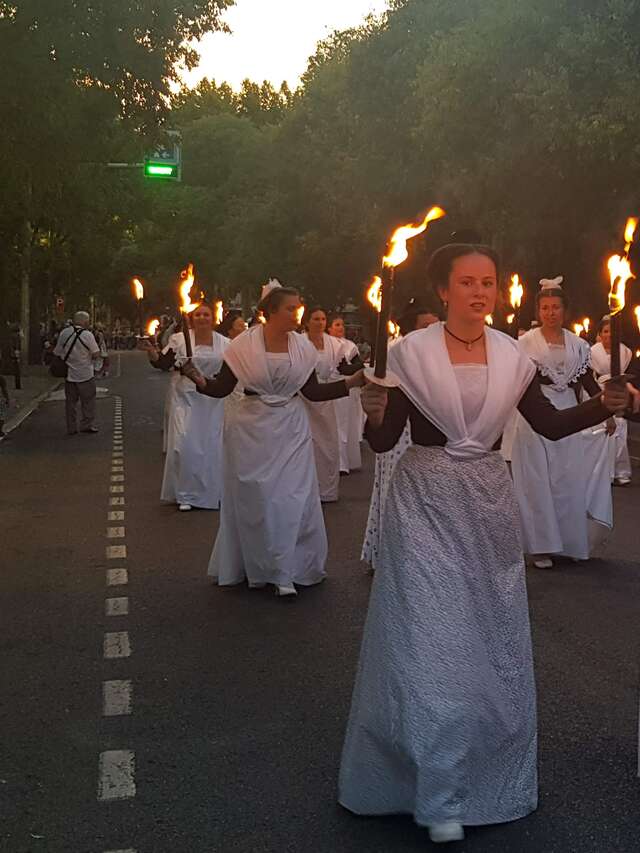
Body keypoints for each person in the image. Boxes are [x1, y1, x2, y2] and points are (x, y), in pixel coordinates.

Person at [338, 243, 639, 844]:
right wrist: (372, 412)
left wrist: (603, 407)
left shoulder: (510, 355)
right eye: (468, 283)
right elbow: (384, 442)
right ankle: (436, 789)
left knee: (481, 637)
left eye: (489, 283)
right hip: (422, 504)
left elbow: (550, 425)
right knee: (429, 640)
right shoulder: (407, 354)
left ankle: (471, 766)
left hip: (487, 507)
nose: (480, 292)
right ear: (444, 291)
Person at [182, 283, 364, 597]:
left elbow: (314, 392)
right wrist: (197, 378)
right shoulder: (242, 347)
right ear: (270, 313)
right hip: (251, 430)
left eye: (299, 307)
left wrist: (353, 382)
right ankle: (259, 565)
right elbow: (222, 388)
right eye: (291, 308)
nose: (298, 314)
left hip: (291, 429)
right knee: (259, 499)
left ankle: (286, 571)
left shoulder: (303, 348)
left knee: (291, 497)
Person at [510, 279, 615, 569]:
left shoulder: (579, 346)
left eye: (555, 307)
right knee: (537, 480)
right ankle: (541, 546)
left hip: (569, 413)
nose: (550, 313)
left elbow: (587, 382)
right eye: (545, 308)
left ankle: (569, 542)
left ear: (564, 310)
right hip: (535, 414)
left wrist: (604, 411)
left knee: (568, 478)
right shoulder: (524, 344)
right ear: (538, 310)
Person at [360, 302, 440, 570]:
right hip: (400, 433)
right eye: (425, 327)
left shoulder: (443, 356)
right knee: (396, 491)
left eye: (436, 325)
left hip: (428, 435)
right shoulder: (397, 354)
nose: (433, 332)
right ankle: (390, 555)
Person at [142, 304, 228, 511]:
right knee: (184, 445)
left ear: (213, 318)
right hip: (185, 399)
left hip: (213, 399)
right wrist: (152, 352)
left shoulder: (226, 343)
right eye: (198, 314)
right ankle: (186, 494)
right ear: (191, 318)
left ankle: (212, 491)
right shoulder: (179, 340)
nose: (202, 318)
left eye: (206, 314)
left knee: (211, 446)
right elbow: (163, 363)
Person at [301, 307, 347, 501]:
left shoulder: (334, 345)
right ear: (307, 322)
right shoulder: (299, 343)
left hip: (326, 399)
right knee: (306, 444)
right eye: (315, 319)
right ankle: (306, 489)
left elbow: (345, 366)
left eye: (322, 319)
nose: (320, 322)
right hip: (303, 399)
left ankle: (326, 489)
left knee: (327, 444)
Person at [591, 316, 633, 485]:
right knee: (603, 431)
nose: (609, 335)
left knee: (620, 431)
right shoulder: (592, 352)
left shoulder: (624, 352)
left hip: (618, 391)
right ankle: (602, 472)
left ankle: (620, 471)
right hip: (600, 391)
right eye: (606, 331)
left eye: (612, 331)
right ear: (600, 334)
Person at [53, 311, 101, 435]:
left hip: (69, 374)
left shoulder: (64, 333)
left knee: (70, 402)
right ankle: (86, 424)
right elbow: (96, 353)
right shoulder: (88, 335)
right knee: (88, 401)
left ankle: (71, 427)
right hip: (85, 373)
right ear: (85, 322)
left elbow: (57, 352)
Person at [328, 313, 364, 474]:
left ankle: (342, 463)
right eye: (336, 324)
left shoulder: (349, 346)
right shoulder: (326, 343)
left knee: (342, 425)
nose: (340, 328)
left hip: (343, 389)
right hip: (327, 387)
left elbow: (351, 366)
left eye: (342, 324)